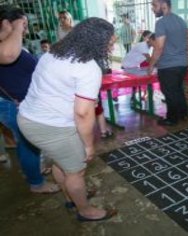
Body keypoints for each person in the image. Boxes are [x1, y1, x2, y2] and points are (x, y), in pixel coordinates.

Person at [17, 17, 117, 221]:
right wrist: (88, 146)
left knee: (61, 162)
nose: (112, 46)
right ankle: (85, 210)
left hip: (28, 119)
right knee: (76, 171)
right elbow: (83, 113)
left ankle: (71, 197)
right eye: (110, 42)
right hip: (51, 126)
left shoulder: (53, 52)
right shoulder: (88, 68)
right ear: (95, 42)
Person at [0, 5, 60, 194]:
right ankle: (37, 183)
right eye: (23, 24)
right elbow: (8, 56)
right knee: (29, 145)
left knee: (25, 143)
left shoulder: (11, 42)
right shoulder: (6, 47)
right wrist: (17, 26)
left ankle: (31, 171)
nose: (25, 29)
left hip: (22, 102)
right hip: (15, 105)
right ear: (6, 23)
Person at [148, 0, 188, 126]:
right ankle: (183, 114)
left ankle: (172, 119)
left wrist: (151, 65)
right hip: (183, 64)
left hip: (168, 66)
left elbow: (159, 47)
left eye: (154, 5)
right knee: (178, 90)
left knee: (170, 93)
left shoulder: (161, 22)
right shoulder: (181, 20)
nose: (153, 9)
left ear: (163, 5)